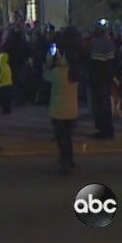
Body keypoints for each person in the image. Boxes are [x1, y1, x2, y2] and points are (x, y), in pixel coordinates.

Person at [43, 40, 79, 175]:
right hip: (72, 110)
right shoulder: (73, 73)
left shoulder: (58, 72)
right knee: (68, 137)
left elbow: (46, 75)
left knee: (61, 138)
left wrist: (48, 63)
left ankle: (64, 163)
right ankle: (70, 159)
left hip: (59, 110)